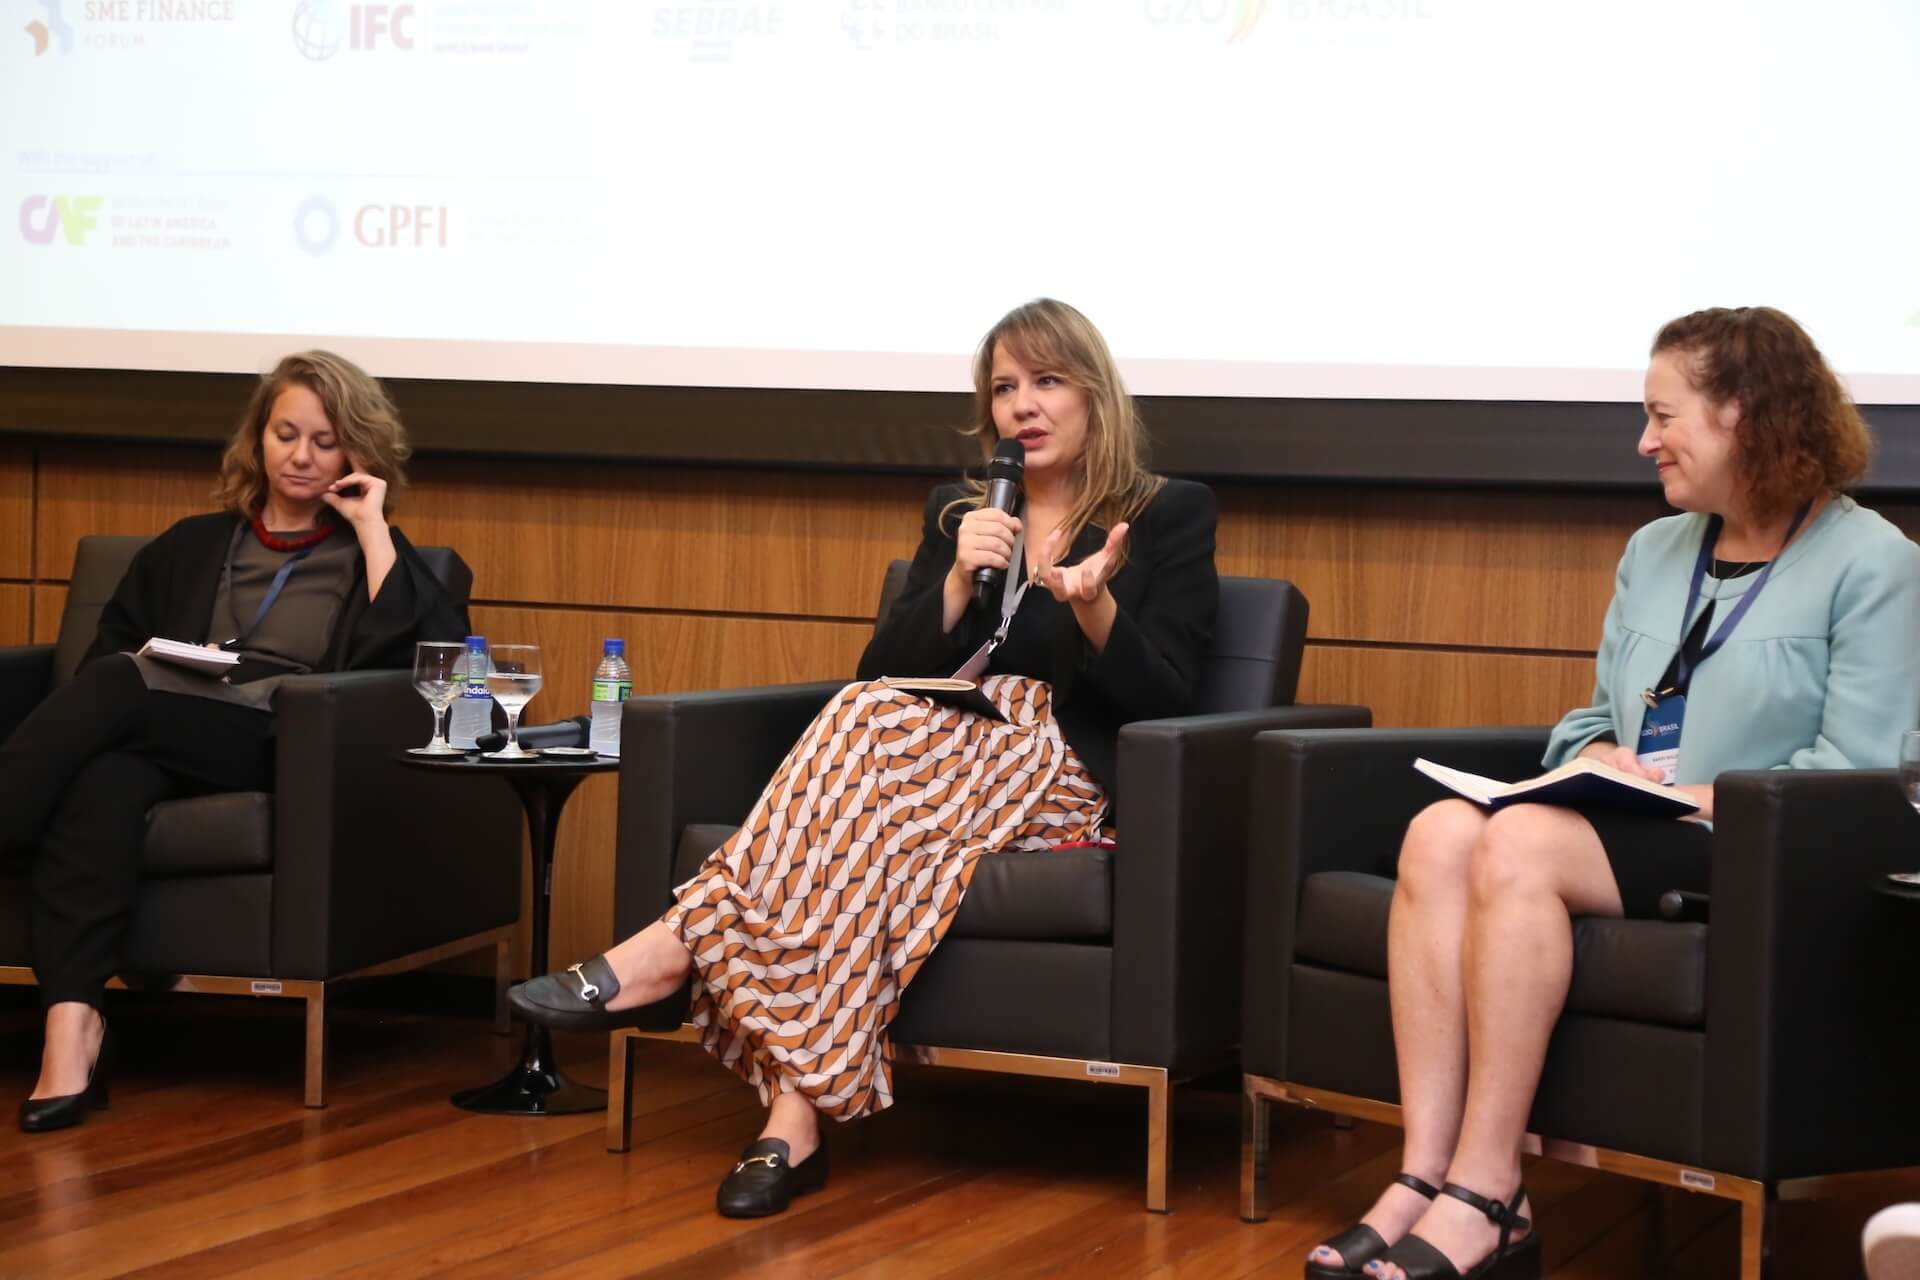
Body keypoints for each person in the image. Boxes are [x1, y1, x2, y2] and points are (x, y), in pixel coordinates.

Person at [511, 297, 1219, 1217]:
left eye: (1047, 381)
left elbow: (1169, 696)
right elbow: (881, 673)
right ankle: (792, 1121)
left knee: (863, 747)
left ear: (1094, 394)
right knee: (871, 825)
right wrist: (957, 578)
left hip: (1058, 763)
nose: (1022, 405)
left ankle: (676, 945)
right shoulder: (962, 513)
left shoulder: (1165, 512)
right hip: (934, 752)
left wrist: (1093, 604)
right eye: (1003, 387)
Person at [1307, 307, 1920, 1280]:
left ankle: (1489, 1190)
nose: (1644, 441)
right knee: (1436, 834)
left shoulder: (1874, 563)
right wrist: (1602, 758)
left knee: (1514, 844)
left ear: (1745, 413)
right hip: (1627, 825)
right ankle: (1424, 1173)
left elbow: (1861, 770)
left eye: (1663, 415)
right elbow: (1593, 716)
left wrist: (1703, 796)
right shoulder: (1656, 551)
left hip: (1756, 853)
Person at [0, 350, 468, 1133]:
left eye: (325, 441)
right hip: (170, 726)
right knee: (104, 780)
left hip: (277, 738)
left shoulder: (375, 555)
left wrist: (372, 527)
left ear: (355, 453)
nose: (302, 456)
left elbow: (435, 663)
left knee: (119, 685)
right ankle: (72, 1030)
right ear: (257, 439)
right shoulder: (189, 544)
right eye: (286, 434)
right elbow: (107, 653)